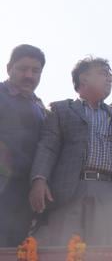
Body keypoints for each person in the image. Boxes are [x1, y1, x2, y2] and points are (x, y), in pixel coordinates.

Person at [29, 57, 112, 246]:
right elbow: (48, 146)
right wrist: (39, 179)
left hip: (111, 191)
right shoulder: (60, 109)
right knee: (65, 249)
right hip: (70, 189)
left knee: (105, 251)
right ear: (83, 78)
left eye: (111, 76)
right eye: (103, 74)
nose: (110, 80)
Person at [0, 44, 47, 247]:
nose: (29, 75)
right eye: (23, 69)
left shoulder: (40, 107)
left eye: (35, 71)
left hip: (24, 196)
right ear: (9, 68)